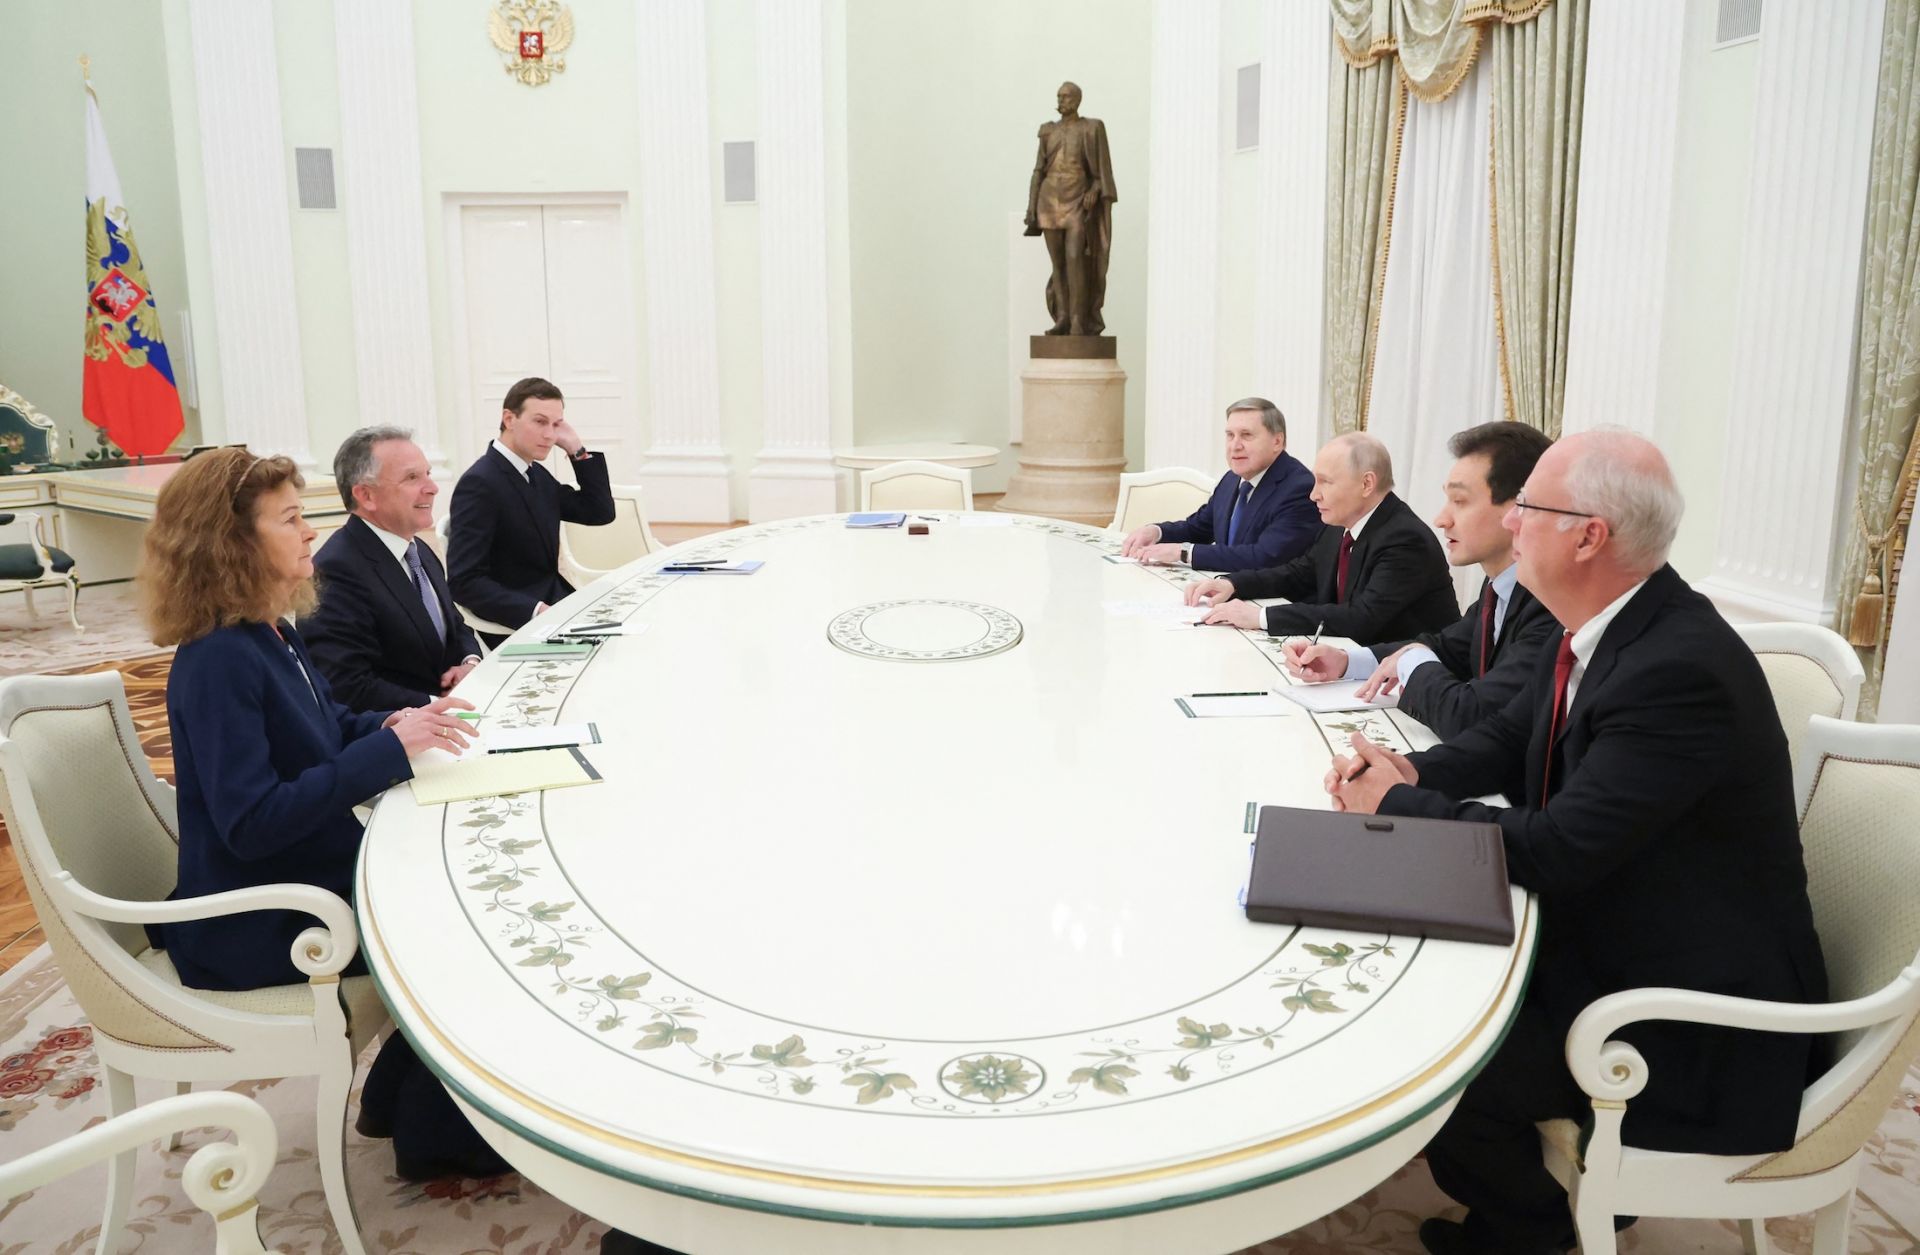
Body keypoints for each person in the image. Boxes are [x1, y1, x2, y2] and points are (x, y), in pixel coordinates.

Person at [1323, 431, 1826, 1255]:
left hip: (1696, 1011)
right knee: (1427, 981)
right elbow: (1499, 741)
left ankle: (1538, 1228)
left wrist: (1406, 802)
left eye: (1531, 510)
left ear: (1589, 535)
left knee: (1439, 1063)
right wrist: (1403, 766)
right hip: (1628, 925)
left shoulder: (1677, 668)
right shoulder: (1603, 625)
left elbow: (1558, 849)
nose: (1513, 525)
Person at [139, 447, 509, 1181]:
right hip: (254, 919)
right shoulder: (218, 659)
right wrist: (386, 751)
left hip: (300, 873)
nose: (311, 533)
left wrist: (400, 722)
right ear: (233, 544)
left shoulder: (266, 631)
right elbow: (252, 822)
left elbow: (328, 724)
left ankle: (398, 1098)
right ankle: (434, 1132)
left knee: (457, 891)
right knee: (464, 915)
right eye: (290, 519)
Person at [1284, 421, 1559, 738]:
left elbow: (1471, 715)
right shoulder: (1499, 585)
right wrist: (1346, 662)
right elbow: (1447, 645)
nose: (1441, 519)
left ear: (1518, 509)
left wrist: (1412, 661)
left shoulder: (1551, 603)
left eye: (1460, 501)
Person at [1186, 432, 1457, 646]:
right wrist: (1233, 583)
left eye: (1325, 482)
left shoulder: (1404, 539)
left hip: (1406, 684)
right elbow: (1299, 573)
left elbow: (1360, 618)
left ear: (1367, 484)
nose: (1314, 494)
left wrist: (1259, 617)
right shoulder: (1339, 524)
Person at [302, 426, 483, 713]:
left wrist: (468, 663)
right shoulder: (335, 570)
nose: (432, 488)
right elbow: (346, 684)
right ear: (366, 495)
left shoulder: (417, 549)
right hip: (400, 731)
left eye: (428, 474)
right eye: (412, 477)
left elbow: (455, 626)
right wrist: (439, 705)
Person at [447, 377, 616, 644]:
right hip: (517, 622)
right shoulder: (480, 483)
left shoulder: (534, 473)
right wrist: (535, 611)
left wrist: (577, 450)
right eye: (540, 422)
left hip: (555, 602)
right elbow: (464, 581)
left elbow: (598, 512)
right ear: (509, 419)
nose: (550, 435)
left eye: (556, 424)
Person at [1117, 397, 1319, 572]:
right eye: (1230, 435)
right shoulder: (1232, 479)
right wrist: (1156, 531)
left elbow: (1264, 556)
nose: (1235, 445)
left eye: (1246, 435)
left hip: (1272, 603)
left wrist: (1185, 553)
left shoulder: (1298, 488)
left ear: (1277, 442)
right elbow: (1198, 528)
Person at [1024, 81, 1117, 337]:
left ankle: (1079, 320)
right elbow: (1038, 171)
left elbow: (1101, 175)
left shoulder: (1091, 128)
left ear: (1077, 100)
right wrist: (1031, 207)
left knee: (1075, 258)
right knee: (1058, 263)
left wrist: (1094, 191)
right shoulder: (1047, 131)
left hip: (1076, 201)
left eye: (1065, 96)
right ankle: (1063, 318)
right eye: (1059, 96)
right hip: (1048, 201)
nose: (1061, 100)